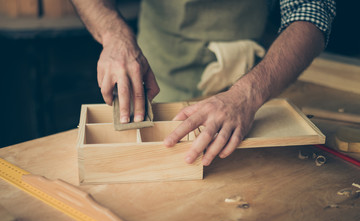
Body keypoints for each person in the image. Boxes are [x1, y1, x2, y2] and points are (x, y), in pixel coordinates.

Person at [71, 0, 336, 166]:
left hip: (249, 75)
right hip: (157, 67)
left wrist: (248, 93)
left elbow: (311, 10)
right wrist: (114, 34)